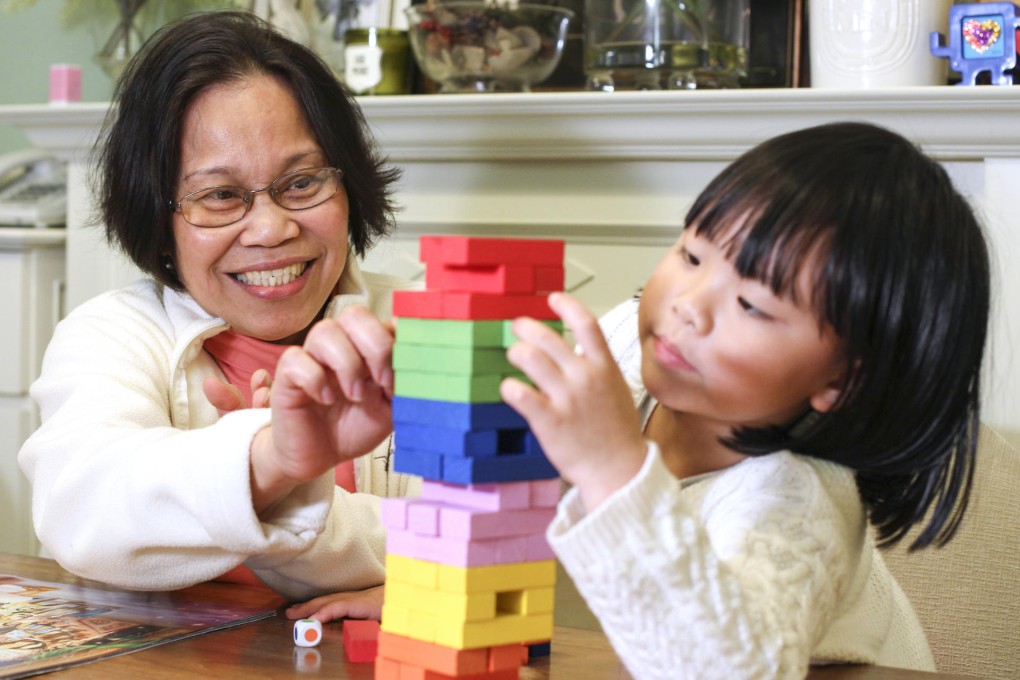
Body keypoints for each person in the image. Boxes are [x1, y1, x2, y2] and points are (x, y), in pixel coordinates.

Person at [496, 122, 990, 678]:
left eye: (752, 304)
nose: (688, 306)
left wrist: (612, 467)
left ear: (842, 382)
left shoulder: (798, 499)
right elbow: (484, 506)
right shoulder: (624, 356)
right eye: (692, 255)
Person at [18, 10, 415, 618]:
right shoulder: (110, 335)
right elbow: (83, 512)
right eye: (221, 196)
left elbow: (496, 532)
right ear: (158, 215)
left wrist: (432, 590)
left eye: (303, 182)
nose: (271, 228)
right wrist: (270, 461)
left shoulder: (425, 321)